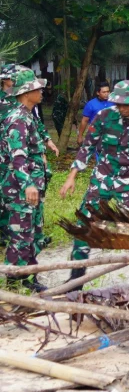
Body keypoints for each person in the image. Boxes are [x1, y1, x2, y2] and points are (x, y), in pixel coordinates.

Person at [60, 80, 129, 281]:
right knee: (84, 226)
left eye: (125, 104)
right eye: (118, 104)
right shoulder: (104, 116)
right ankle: (75, 280)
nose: (121, 108)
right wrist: (72, 176)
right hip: (101, 179)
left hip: (128, 183)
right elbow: (87, 146)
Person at [0, 71, 51, 290]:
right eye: (36, 89)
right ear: (25, 93)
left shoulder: (28, 115)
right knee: (20, 236)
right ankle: (14, 284)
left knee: (34, 234)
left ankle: (29, 277)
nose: (41, 91)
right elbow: (17, 156)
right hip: (19, 189)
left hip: (32, 188)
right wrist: (28, 184)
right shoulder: (18, 119)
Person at [78, 81, 115, 147]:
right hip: (94, 131)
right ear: (98, 93)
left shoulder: (113, 102)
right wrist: (80, 136)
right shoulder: (90, 104)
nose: (106, 94)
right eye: (104, 92)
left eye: (108, 91)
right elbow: (84, 120)